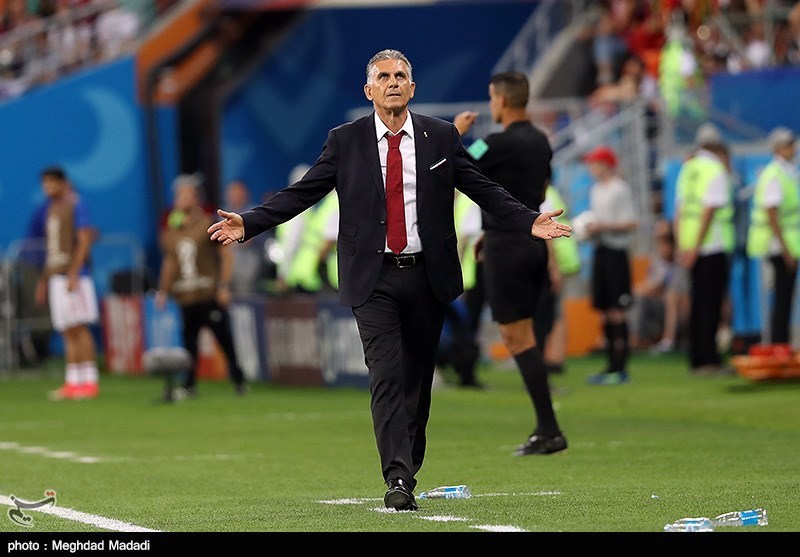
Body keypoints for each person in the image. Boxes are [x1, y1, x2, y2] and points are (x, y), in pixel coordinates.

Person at [208, 49, 571, 511]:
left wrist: (528, 220)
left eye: (400, 75)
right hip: (372, 277)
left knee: (416, 382)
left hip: (427, 275)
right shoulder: (345, 140)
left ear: (412, 88)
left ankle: (408, 467)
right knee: (385, 374)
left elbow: (483, 188)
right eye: (383, 76)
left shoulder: (440, 137)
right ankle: (397, 477)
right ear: (369, 90)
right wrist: (250, 223)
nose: (393, 82)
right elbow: (303, 193)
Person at [453, 70, 568, 456]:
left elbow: (455, 167)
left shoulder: (493, 143)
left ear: (500, 99)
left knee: (518, 338)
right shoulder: (541, 140)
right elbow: (540, 187)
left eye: (492, 97)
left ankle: (549, 429)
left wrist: (455, 134)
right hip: (533, 242)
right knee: (525, 335)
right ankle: (546, 427)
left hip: (507, 247)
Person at [156, 173, 247, 398]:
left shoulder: (207, 222)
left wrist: (223, 285)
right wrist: (163, 290)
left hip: (208, 292)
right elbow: (170, 261)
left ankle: (238, 378)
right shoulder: (172, 228)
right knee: (189, 343)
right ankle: (189, 384)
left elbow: (226, 255)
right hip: (185, 294)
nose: (182, 200)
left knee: (224, 339)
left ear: (195, 198)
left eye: (186, 196)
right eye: (179, 196)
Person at [34, 166, 101, 401]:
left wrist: (74, 273)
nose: (47, 188)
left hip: (74, 276)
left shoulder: (76, 204)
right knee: (66, 330)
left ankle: (90, 381)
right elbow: (52, 248)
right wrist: (44, 279)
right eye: (44, 184)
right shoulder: (50, 208)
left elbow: (84, 240)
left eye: (51, 183)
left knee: (80, 327)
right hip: (56, 275)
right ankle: (73, 382)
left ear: (63, 183)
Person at [674, 123, 735, 375]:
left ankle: (696, 358)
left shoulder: (688, 168)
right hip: (712, 244)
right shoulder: (715, 169)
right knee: (711, 303)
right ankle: (709, 359)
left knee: (697, 302)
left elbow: (679, 210)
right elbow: (709, 211)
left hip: (689, 244)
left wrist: (683, 247)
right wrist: (697, 246)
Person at [581, 145, 638, 385]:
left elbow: (631, 222)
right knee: (604, 309)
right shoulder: (596, 190)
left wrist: (603, 226)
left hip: (616, 253)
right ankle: (610, 365)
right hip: (601, 251)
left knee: (617, 309)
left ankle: (621, 366)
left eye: (594, 163)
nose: (591, 168)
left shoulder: (619, 189)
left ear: (605, 164)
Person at [746, 127, 799, 345]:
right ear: (778, 149)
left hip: (787, 243)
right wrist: (785, 249)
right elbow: (772, 213)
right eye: (788, 145)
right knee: (781, 297)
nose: (793, 148)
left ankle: (782, 343)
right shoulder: (774, 174)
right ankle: (778, 344)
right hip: (776, 245)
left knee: (786, 297)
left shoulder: (788, 172)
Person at [223, 179, 263, 297]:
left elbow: (251, 237)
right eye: (231, 191)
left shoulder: (254, 211)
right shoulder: (222, 213)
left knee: (246, 296)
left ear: (245, 193)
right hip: (226, 264)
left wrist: (232, 241)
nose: (234, 194)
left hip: (248, 263)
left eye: (238, 191)